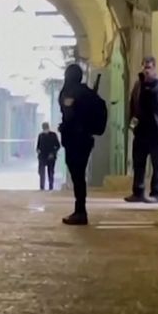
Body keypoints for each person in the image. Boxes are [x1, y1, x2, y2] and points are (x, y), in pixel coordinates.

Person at [125, 56, 158, 204]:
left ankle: (156, 193)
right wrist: (132, 126)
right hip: (141, 132)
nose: (146, 71)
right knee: (138, 163)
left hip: (156, 133)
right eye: (144, 67)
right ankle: (138, 192)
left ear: (154, 68)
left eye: (149, 67)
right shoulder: (138, 86)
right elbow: (133, 107)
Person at [58, 63, 100, 225]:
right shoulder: (88, 92)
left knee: (77, 176)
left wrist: (64, 127)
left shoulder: (69, 92)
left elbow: (69, 116)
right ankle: (80, 209)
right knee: (80, 175)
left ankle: (80, 211)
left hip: (74, 140)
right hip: (86, 140)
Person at [36, 122, 61, 190]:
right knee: (42, 173)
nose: (45, 130)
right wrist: (38, 151)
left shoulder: (53, 135)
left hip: (51, 156)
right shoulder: (41, 136)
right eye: (44, 128)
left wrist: (53, 153)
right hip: (42, 156)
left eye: (46, 128)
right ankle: (42, 187)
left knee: (51, 172)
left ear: (48, 128)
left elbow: (58, 146)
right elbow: (38, 146)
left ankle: (51, 186)